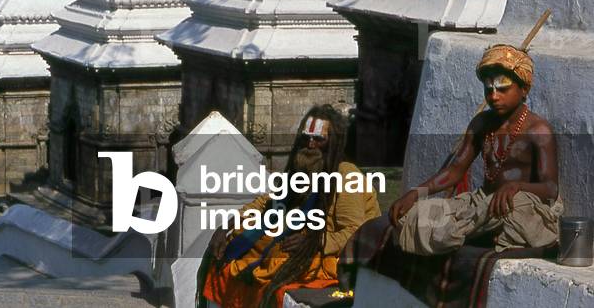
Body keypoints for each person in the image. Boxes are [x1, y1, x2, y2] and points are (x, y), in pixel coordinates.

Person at [389, 43, 562, 255]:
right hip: (480, 204)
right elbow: (454, 172)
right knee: (412, 216)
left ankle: (477, 232)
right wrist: (416, 193)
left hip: (517, 205)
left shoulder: (539, 130)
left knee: (516, 209)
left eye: (503, 89)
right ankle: (478, 232)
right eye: (489, 89)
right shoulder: (481, 123)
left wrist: (517, 186)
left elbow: (551, 189)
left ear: (524, 89)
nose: (494, 96)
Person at [201, 105, 380, 308]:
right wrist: (226, 227)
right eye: (306, 138)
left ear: (334, 142)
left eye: (319, 139)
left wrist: (315, 242)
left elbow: (355, 231)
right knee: (238, 238)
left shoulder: (347, 174)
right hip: (298, 237)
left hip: (330, 254)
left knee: (276, 253)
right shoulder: (300, 173)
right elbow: (265, 203)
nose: (310, 144)